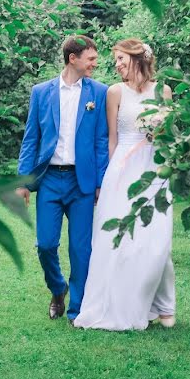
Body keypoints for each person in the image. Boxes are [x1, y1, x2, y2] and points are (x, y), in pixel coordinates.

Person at [73, 39, 176, 331]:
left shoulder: (163, 91)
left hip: (155, 169)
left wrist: (161, 139)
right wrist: (108, 177)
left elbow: (169, 135)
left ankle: (162, 306)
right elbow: (112, 138)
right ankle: (120, 304)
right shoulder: (115, 92)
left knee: (156, 242)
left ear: (137, 59)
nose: (116, 65)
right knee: (118, 239)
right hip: (123, 169)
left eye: (120, 59)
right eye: (115, 60)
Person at [16, 35, 110, 322]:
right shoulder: (41, 92)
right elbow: (31, 138)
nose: (96, 63)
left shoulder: (99, 92)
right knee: (45, 244)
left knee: (81, 249)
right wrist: (23, 180)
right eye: (91, 58)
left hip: (81, 182)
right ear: (73, 58)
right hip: (50, 180)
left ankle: (76, 309)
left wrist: (99, 183)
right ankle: (58, 289)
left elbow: (101, 141)